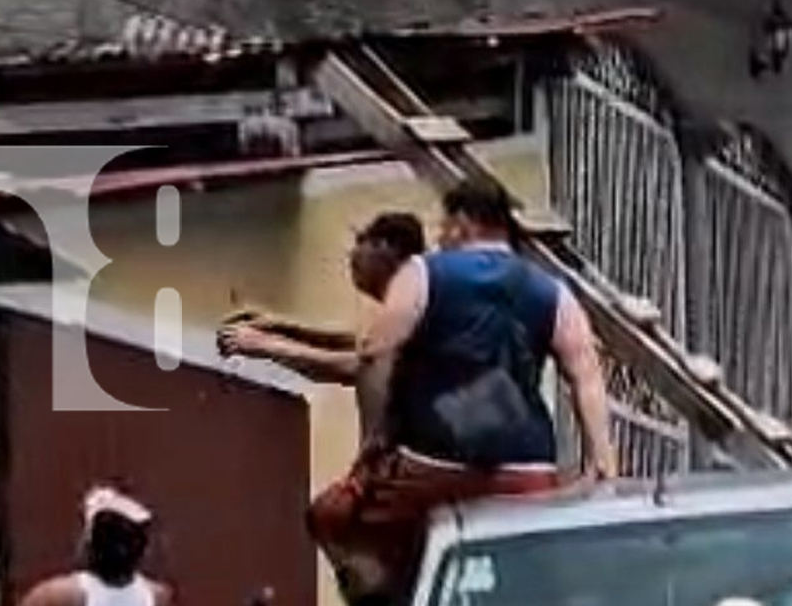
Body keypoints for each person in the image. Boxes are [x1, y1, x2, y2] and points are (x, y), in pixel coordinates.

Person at [219, 180, 615, 606]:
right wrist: (601, 460)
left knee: (333, 517)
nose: (440, 237)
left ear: (462, 223)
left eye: (444, 227)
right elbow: (585, 371)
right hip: (527, 471)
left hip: (431, 467)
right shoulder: (551, 289)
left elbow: (371, 356)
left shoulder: (425, 273)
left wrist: (369, 445)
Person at [18, 486, 173, 606]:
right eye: (110, 533)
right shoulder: (57, 596)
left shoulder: (156, 596)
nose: (120, 546)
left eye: (128, 534)